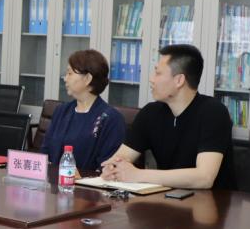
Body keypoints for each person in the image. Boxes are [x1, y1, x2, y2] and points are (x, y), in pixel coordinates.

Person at [101, 44, 234, 190]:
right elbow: (122, 157)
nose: (151, 79)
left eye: (158, 73)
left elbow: (204, 178)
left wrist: (138, 174)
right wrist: (112, 168)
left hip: (210, 201)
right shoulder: (150, 112)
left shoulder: (213, 112)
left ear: (179, 80)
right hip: (166, 198)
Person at [40, 50, 125, 170]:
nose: (65, 78)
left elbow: (107, 167)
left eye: (70, 73)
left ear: (87, 79)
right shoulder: (61, 111)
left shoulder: (111, 119)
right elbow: (45, 151)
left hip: (89, 181)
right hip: (53, 179)